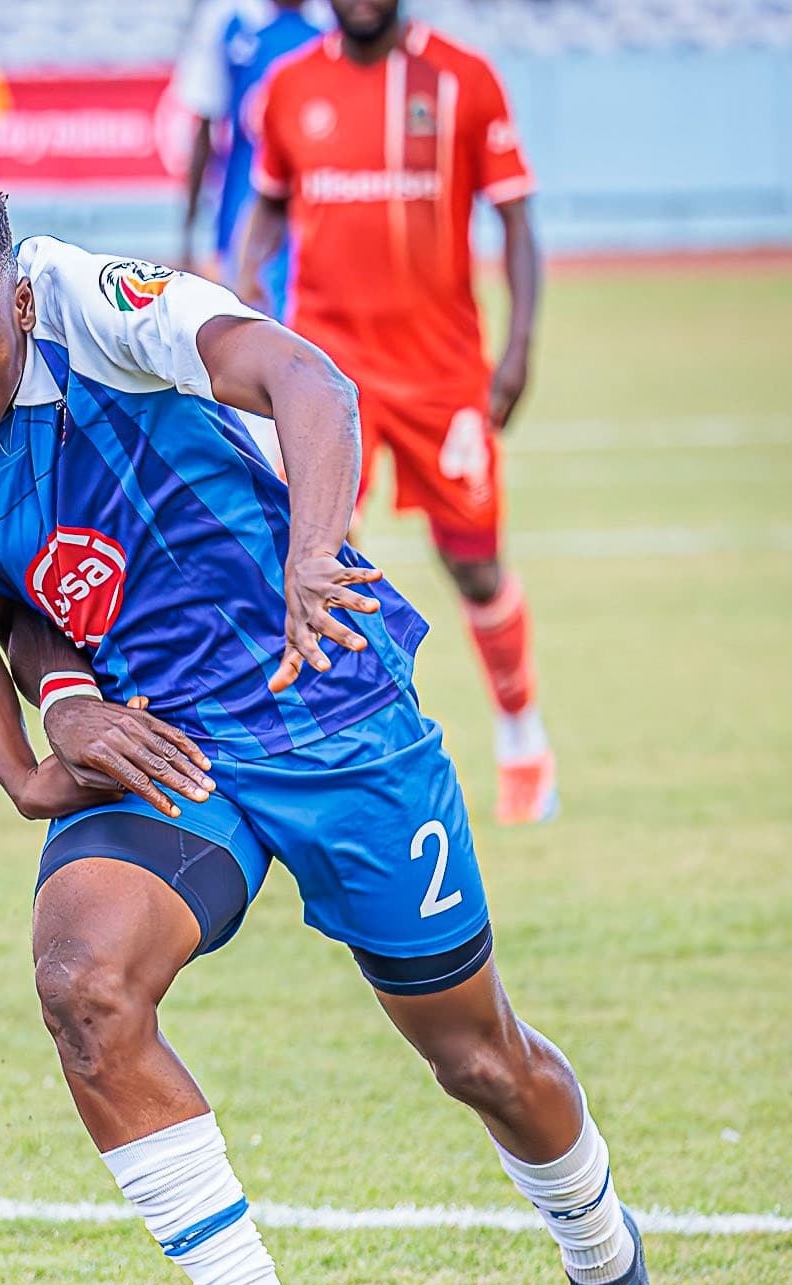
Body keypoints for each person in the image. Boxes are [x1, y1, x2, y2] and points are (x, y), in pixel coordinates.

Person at [0, 169, 660, 1285]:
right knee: (83, 983)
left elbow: (303, 380)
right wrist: (40, 749)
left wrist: (313, 554)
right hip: (166, 740)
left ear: (18, 303)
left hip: (324, 701)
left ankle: (601, 1258)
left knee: (476, 1057)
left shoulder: (93, 305)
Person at [236, 0, 553, 824]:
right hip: (327, 376)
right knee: (321, 552)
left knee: (474, 564)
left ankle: (522, 733)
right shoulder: (288, 87)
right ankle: (353, 763)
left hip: (442, 374)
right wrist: (245, 288)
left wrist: (518, 348)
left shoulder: (463, 80)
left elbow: (517, 219)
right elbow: (268, 202)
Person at [170, 0, 320, 302]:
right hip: (245, 209)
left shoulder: (340, 18)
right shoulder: (228, 19)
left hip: (319, 213)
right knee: (249, 314)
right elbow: (205, 124)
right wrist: (188, 236)